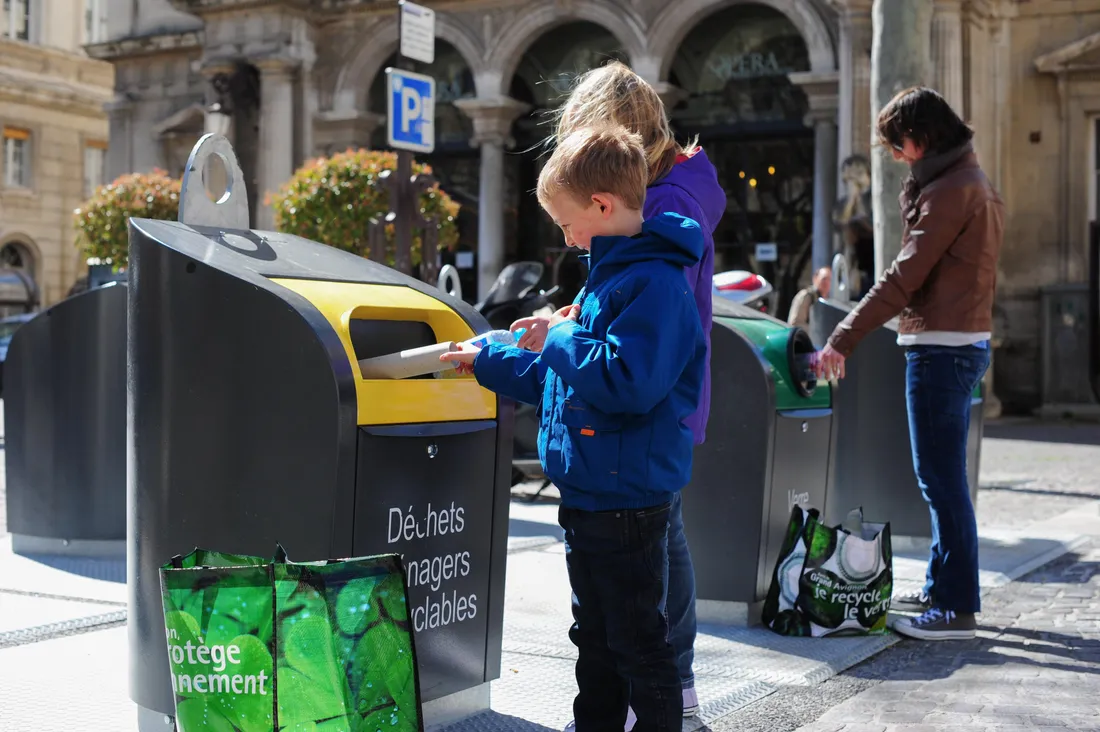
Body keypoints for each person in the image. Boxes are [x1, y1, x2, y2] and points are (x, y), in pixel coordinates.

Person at [442, 124, 706, 731]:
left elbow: (627, 380)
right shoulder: (610, 278)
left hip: (628, 499)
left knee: (639, 642)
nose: (564, 237)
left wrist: (560, 334)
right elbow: (566, 385)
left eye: (566, 223)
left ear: (603, 206)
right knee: (596, 637)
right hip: (594, 493)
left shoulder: (654, 283)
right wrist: (487, 360)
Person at [512, 61, 723, 717]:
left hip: (645, 416)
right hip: (643, 414)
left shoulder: (662, 208)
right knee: (651, 559)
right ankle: (659, 688)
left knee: (651, 569)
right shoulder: (660, 197)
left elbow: (645, 336)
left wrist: (574, 331)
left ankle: (670, 691)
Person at [813, 87, 1004, 641]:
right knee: (943, 479)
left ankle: (956, 609)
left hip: (942, 348)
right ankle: (944, 584)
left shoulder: (950, 192)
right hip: (958, 342)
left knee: (941, 481)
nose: (895, 156)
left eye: (899, 145)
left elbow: (903, 277)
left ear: (922, 139)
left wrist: (842, 338)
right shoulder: (967, 183)